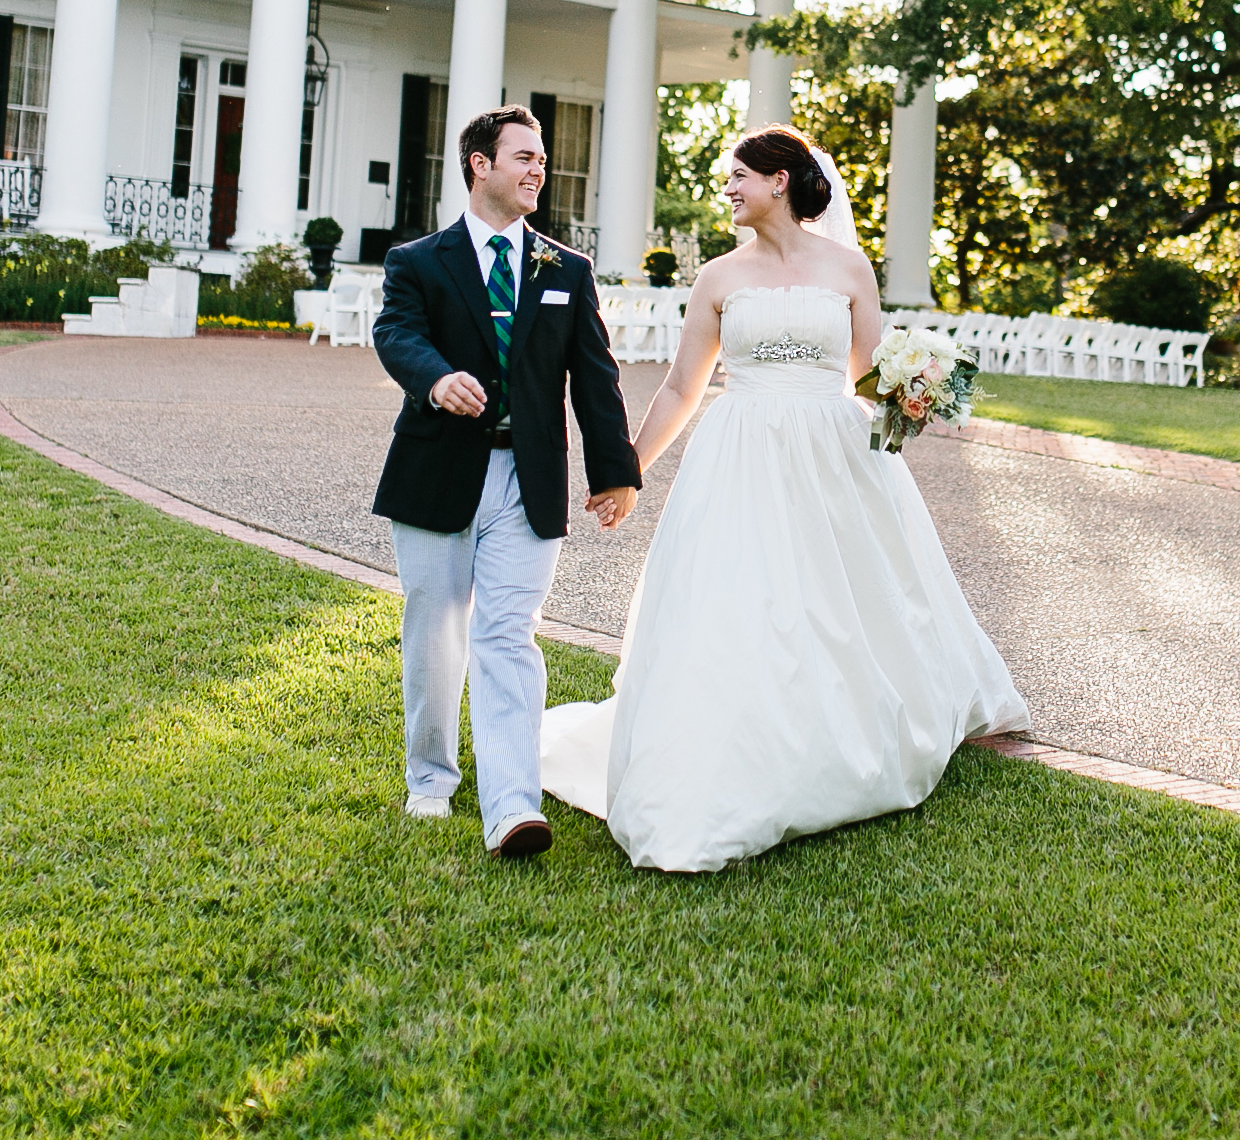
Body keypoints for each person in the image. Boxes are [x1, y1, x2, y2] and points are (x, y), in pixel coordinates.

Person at [541, 124, 1027, 871]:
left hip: (835, 451)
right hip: (739, 450)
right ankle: (727, 753)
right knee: (741, 599)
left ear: (780, 181)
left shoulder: (849, 268)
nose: (729, 190)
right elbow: (680, 387)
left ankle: (851, 728)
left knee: (847, 599)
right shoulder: (719, 279)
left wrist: (919, 390)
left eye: (739, 176)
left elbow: (868, 377)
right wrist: (627, 468)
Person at [372, 105, 640, 860]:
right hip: (435, 473)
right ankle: (430, 780)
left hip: (529, 482)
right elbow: (396, 334)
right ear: (479, 165)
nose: (537, 170)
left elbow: (596, 378)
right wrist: (434, 380)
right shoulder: (418, 261)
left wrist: (615, 472)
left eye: (542, 159)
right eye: (523, 157)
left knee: (507, 636)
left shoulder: (567, 270)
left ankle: (513, 807)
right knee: (434, 633)